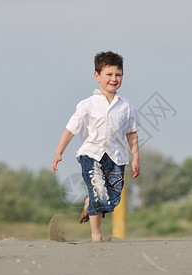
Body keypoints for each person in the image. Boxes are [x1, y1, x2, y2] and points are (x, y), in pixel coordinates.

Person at [51, 51, 140, 242]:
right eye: (109, 74)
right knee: (98, 192)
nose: (114, 79)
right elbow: (70, 130)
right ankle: (96, 234)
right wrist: (59, 152)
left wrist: (136, 158)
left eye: (118, 74)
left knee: (112, 200)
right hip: (91, 155)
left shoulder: (126, 106)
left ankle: (89, 200)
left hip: (117, 157)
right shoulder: (87, 105)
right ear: (97, 76)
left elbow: (132, 134)